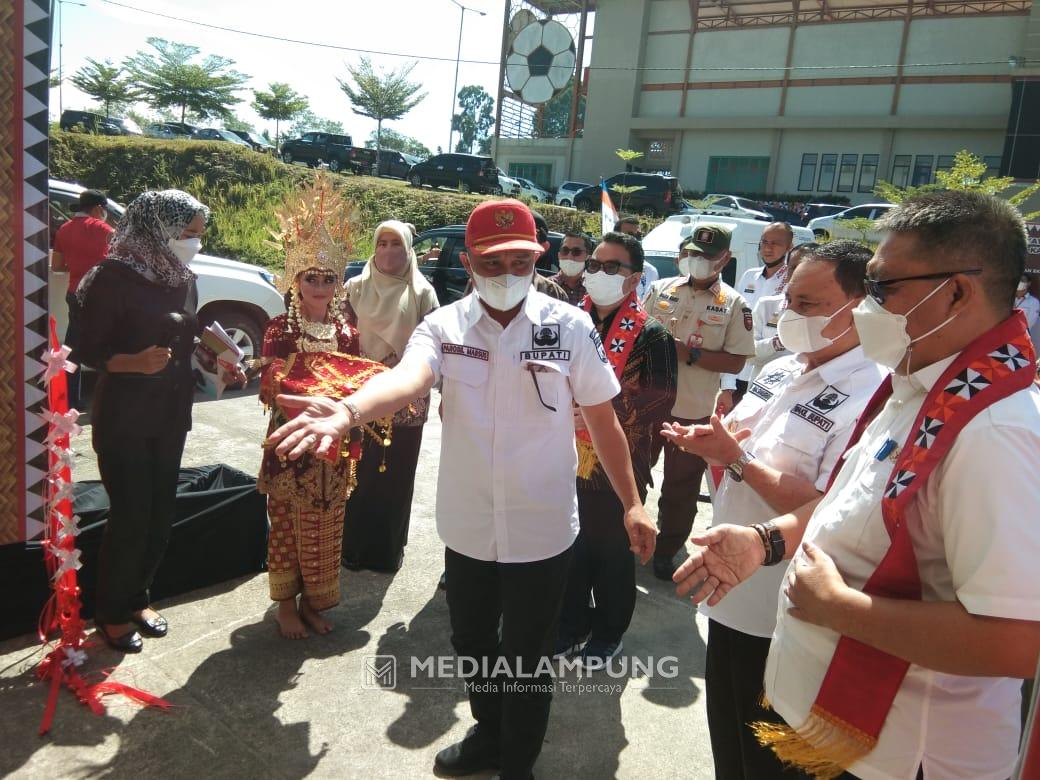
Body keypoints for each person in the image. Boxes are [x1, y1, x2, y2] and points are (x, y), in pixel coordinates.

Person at [265, 198, 657, 779]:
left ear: (537, 258)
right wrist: (346, 412)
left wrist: (633, 503)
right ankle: (489, 734)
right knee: (472, 639)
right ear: (468, 263)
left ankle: (517, 763)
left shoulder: (568, 326)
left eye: (518, 261)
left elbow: (604, 420)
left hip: (541, 529)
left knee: (527, 656)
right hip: (469, 524)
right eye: (491, 263)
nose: (505, 275)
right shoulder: (444, 325)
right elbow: (407, 379)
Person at [673, 191, 1040, 780]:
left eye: (882, 287)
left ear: (957, 292)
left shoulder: (995, 429)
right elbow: (845, 504)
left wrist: (843, 610)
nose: (869, 305)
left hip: (899, 755)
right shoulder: (919, 388)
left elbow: (1013, 641)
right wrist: (765, 543)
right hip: (837, 728)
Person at [664, 240, 885, 778]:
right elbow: (746, 444)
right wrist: (715, 443)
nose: (790, 313)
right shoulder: (782, 368)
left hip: (787, 612)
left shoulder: (873, 393)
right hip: (729, 594)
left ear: (860, 306)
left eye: (808, 304)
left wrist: (735, 459)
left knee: (770, 759)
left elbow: (834, 506)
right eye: (789, 298)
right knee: (729, 750)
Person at [76, 190, 211, 653]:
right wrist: (130, 363)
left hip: (171, 413)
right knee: (131, 515)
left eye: (198, 234)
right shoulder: (110, 277)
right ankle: (110, 613)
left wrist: (215, 361)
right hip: (124, 416)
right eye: (187, 234)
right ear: (158, 227)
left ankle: (137, 598)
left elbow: (186, 336)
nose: (193, 243)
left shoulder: (182, 277)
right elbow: (84, 350)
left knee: (158, 514)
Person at [258, 177, 371, 639]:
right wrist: (286, 383)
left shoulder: (347, 332)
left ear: (338, 283)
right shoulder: (277, 329)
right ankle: (286, 605)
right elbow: (269, 389)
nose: (320, 286)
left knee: (325, 527)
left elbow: (357, 380)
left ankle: (312, 602)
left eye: (328, 278)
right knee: (285, 525)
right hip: (291, 443)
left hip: (334, 446)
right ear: (295, 280)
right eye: (311, 278)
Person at [557, 231, 677, 667]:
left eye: (613, 267)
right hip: (564, 458)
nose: (599, 273)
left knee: (611, 553)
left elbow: (659, 401)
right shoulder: (570, 322)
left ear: (635, 279)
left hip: (619, 463)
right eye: (594, 265)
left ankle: (608, 633)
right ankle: (570, 624)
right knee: (569, 547)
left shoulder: (653, 336)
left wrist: (594, 414)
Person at [643, 224, 754, 580]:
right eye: (692, 253)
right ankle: (624, 536)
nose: (697, 261)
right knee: (630, 473)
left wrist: (686, 353)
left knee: (680, 486)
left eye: (707, 257)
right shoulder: (661, 289)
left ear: (725, 259)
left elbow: (736, 361)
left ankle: (666, 548)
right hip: (646, 404)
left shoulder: (734, 304)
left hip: (692, 411)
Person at [342, 220, 438, 572]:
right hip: (361, 394)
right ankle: (352, 547)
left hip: (406, 400)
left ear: (409, 249)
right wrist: (365, 368)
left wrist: (400, 366)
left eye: (396, 244)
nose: (387, 251)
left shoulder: (423, 293)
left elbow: (433, 346)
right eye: (381, 243)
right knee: (358, 473)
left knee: (396, 477)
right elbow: (342, 338)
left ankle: (386, 550)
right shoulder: (354, 288)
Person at [719, 222, 794, 413]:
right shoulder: (749, 276)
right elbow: (733, 321)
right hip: (737, 368)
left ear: (789, 247)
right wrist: (726, 383)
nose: (768, 248)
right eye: (764, 242)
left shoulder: (792, 282)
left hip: (767, 371)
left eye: (776, 243)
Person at [51, 189, 114, 410]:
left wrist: (77, 265)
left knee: (73, 349)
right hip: (101, 296)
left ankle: (69, 400)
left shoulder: (64, 230)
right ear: (98, 209)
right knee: (108, 347)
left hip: (75, 295)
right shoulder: (105, 230)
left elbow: (57, 266)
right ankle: (107, 400)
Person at [614, 215, 659, 298]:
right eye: (629, 235)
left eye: (638, 235)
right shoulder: (602, 267)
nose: (634, 239)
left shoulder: (650, 271)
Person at [548, 231, 593, 306]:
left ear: (587, 257)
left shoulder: (593, 289)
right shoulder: (545, 287)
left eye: (576, 251)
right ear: (559, 255)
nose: (569, 256)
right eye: (565, 250)